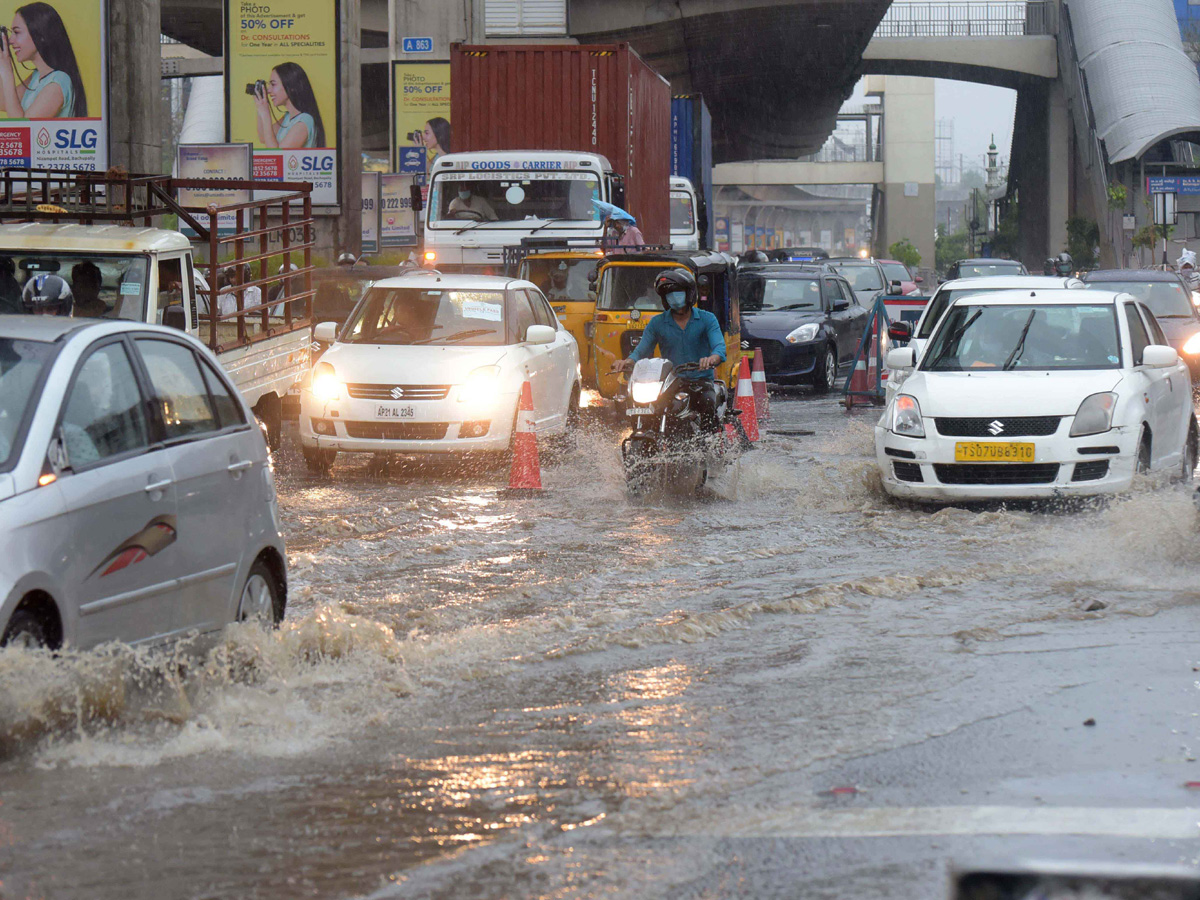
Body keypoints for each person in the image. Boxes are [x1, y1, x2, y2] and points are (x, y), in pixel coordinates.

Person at [613, 268, 726, 431]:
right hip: (671, 382)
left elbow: (719, 348)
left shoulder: (707, 319)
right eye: (669, 294)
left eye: (678, 292)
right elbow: (642, 350)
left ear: (689, 293)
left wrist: (712, 358)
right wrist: (628, 361)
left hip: (700, 382)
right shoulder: (656, 323)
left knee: (707, 404)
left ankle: (709, 445)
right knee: (648, 407)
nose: (673, 297)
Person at [0, 2, 86, 119]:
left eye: (17, 32)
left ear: (40, 35)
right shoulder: (36, 77)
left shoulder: (58, 83)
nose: (10, 40)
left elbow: (23, 132)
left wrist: (7, 72)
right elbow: (4, 102)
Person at [254, 61, 325, 149]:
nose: (269, 90)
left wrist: (265, 115)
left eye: (273, 84)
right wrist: (260, 107)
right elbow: (263, 137)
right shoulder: (287, 118)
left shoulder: (304, 122)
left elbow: (278, 158)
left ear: (291, 87)